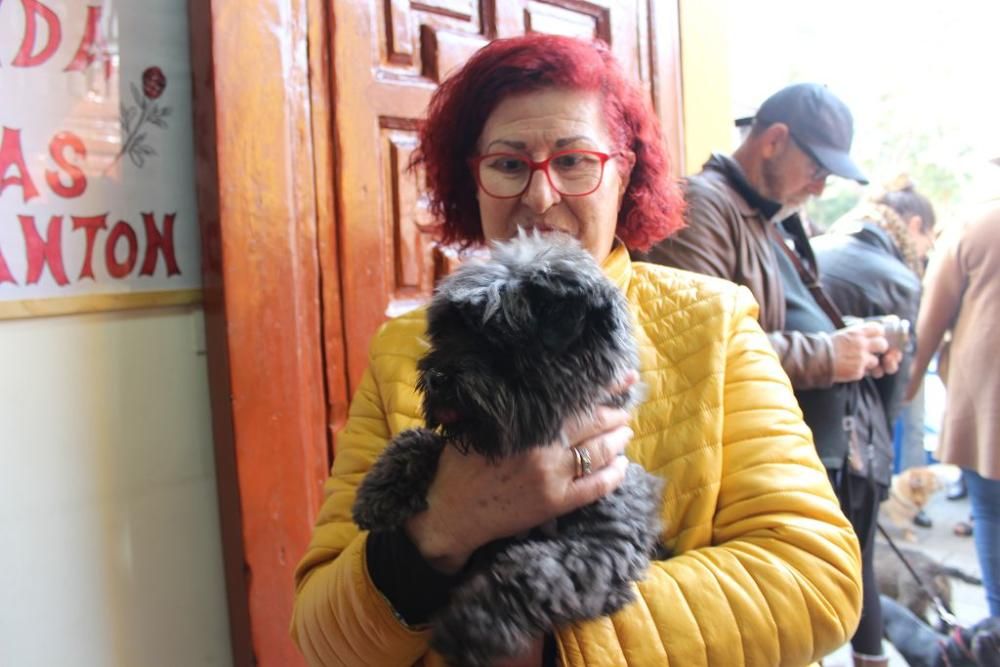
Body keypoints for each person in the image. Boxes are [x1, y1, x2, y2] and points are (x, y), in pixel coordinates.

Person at [290, 36, 862, 666]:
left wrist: (556, 642)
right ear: (472, 181)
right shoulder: (405, 349)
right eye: (508, 164)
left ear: (625, 174)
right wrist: (443, 527)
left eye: (574, 161)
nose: (539, 198)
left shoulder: (714, 324)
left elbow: (817, 580)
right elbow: (321, 635)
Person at [640, 83, 901, 667]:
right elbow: (688, 345)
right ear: (774, 140)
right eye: (817, 168)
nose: (821, 187)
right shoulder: (705, 204)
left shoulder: (766, 215)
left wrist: (854, 339)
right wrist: (827, 356)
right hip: (729, 472)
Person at [812, 178, 937, 521]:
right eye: (929, 240)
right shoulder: (899, 278)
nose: (926, 251)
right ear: (914, 226)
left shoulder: (813, 249)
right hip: (852, 444)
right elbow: (893, 389)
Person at [905, 165, 1000, 618]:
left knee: (994, 515)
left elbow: (931, 319)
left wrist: (907, 383)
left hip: (989, 408)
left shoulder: (978, 224)